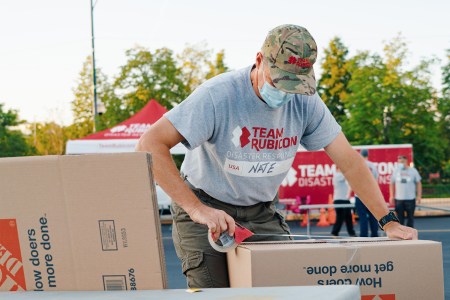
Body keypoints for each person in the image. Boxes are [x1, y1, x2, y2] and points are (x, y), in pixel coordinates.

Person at [136, 24, 417, 288]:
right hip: (206, 206)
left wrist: (388, 221)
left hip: (261, 211)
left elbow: (349, 161)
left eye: (295, 84)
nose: (285, 92)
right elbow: (149, 144)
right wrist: (197, 209)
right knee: (213, 291)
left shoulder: (306, 101)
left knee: (281, 287)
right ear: (259, 60)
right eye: (279, 80)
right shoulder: (217, 96)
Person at [389, 155, 422, 228]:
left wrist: (419, 196)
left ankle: (410, 237)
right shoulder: (396, 171)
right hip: (399, 199)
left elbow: (418, 183)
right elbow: (391, 183)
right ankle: (401, 236)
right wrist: (391, 196)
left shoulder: (413, 171)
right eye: (399, 162)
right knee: (400, 220)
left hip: (410, 199)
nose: (401, 163)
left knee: (410, 219)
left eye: (403, 162)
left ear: (406, 161)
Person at [354, 149, 380, 237]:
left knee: (363, 218)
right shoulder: (372, 166)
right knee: (373, 217)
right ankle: (375, 235)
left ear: (360, 155)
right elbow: (376, 179)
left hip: (360, 195)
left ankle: (363, 236)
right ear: (367, 155)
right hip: (371, 195)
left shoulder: (357, 165)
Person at [331, 167, 356, 237]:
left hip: (345, 200)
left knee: (348, 217)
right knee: (340, 217)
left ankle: (351, 233)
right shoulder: (337, 176)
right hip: (339, 200)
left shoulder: (342, 176)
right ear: (338, 169)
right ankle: (334, 232)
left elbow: (349, 182)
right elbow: (348, 175)